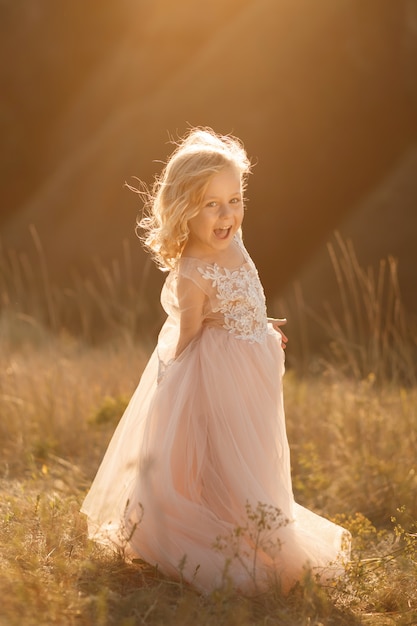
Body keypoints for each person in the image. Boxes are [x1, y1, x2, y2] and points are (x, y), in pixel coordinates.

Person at [81, 127, 350, 594]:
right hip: (211, 372)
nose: (228, 215)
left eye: (235, 200)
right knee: (213, 453)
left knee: (252, 451)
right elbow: (188, 333)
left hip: (252, 367)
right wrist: (170, 383)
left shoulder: (235, 242)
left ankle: (248, 519)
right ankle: (201, 533)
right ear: (186, 209)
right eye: (212, 204)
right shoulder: (191, 270)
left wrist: (261, 327)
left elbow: (244, 297)